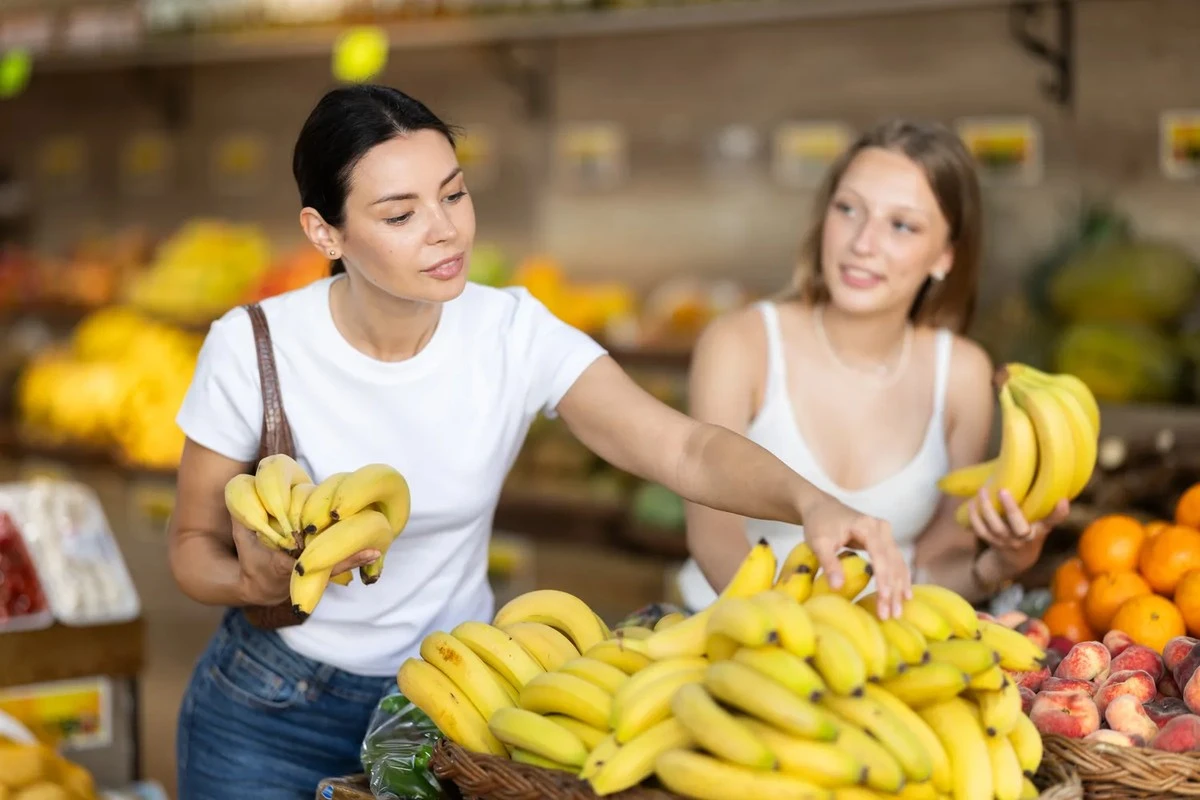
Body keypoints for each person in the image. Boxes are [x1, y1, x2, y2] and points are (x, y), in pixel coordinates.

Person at [167, 84, 909, 800]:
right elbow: (191, 543)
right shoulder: (253, 347)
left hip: (454, 701)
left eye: (453, 195)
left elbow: (682, 450)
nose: (445, 229)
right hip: (268, 709)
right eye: (401, 214)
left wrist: (810, 502)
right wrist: (250, 582)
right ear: (323, 232)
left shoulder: (512, 332)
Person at [677, 119, 1070, 612]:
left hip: (877, 654)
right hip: (736, 633)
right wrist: (787, 640)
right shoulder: (739, 345)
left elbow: (934, 569)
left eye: (901, 225)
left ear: (945, 256)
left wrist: (999, 567)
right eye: (848, 209)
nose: (862, 242)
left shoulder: (962, 374)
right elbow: (712, 537)